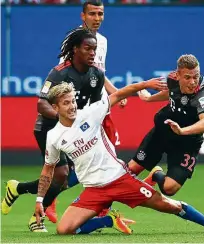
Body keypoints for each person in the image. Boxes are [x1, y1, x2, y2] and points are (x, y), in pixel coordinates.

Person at [34, 81, 204, 235]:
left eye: (73, 101)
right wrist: (40, 200)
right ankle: (108, 221)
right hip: (93, 190)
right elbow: (48, 168)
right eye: (66, 103)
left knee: (169, 205)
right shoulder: (54, 137)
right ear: (55, 107)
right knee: (64, 230)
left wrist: (146, 84)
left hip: (119, 179)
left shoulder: (90, 113)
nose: (72, 106)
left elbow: (122, 92)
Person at [1, 27, 133, 232]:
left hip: (74, 130)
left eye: (94, 49)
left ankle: (17, 188)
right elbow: (41, 105)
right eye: (88, 48)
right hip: (49, 128)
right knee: (61, 174)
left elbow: (95, 105)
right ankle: (37, 217)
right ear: (75, 50)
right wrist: (62, 117)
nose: (92, 53)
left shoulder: (96, 75)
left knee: (71, 177)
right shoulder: (59, 72)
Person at [45, 0, 126, 222]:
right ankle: (53, 199)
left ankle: (99, 209)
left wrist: (113, 93)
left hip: (100, 108)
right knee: (92, 162)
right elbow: (67, 75)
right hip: (83, 111)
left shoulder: (103, 41)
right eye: (92, 14)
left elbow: (99, 72)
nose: (97, 18)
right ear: (83, 16)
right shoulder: (75, 40)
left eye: (100, 14)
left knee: (106, 160)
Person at [130, 54, 204, 197]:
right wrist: (149, 98)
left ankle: (156, 174)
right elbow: (171, 93)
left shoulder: (202, 93)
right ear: (178, 75)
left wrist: (181, 131)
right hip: (162, 132)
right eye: (187, 77)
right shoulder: (171, 79)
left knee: (170, 188)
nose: (193, 82)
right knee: (130, 170)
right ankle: (105, 209)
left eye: (196, 76)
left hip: (187, 142)